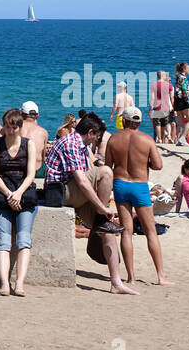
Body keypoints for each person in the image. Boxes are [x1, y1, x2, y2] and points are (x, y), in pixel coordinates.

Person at [43, 113, 136, 296]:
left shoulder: (82, 146)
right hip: (60, 193)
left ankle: (116, 282)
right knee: (107, 172)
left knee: (107, 228)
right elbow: (83, 181)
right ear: (91, 132)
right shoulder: (71, 142)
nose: (97, 141)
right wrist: (102, 207)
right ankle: (100, 219)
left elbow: (89, 171)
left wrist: (102, 212)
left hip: (74, 192)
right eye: (97, 137)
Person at [104, 107, 170, 286]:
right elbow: (157, 165)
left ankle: (131, 277)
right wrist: (144, 162)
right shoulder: (147, 140)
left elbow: (107, 165)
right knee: (150, 231)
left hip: (120, 185)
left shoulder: (113, 139)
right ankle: (161, 276)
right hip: (139, 185)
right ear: (139, 122)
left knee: (126, 231)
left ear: (123, 121)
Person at [0, 108, 39, 297]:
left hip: (24, 195)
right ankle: (3, 284)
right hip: (3, 195)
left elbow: (31, 174)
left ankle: (19, 284)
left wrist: (18, 194)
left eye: (14, 128)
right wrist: (10, 194)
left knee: (23, 238)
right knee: (3, 240)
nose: (11, 131)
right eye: (8, 127)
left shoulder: (29, 145)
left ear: (20, 127)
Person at [20, 101, 48, 170]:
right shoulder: (43, 132)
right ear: (37, 115)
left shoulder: (15, 129)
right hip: (37, 170)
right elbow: (43, 156)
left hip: (19, 169)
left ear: (21, 114)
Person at [149, 71, 173, 145]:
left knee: (158, 124)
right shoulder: (169, 85)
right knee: (167, 123)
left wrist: (150, 109)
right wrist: (172, 106)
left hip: (157, 108)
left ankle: (159, 139)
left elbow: (152, 98)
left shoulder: (153, 85)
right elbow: (172, 97)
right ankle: (169, 135)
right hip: (166, 107)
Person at [172, 64, 189, 145]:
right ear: (184, 69)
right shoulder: (183, 78)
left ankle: (180, 140)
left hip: (177, 101)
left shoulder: (178, 77)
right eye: (188, 68)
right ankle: (182, 138)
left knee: (181, 123)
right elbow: (185, 91)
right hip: (183, 100)